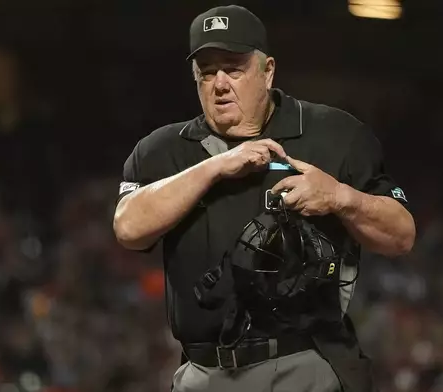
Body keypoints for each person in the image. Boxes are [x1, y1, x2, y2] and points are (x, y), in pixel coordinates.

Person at [113, 5, 416, 392]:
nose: (219, 83)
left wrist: (341, 197)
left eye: (233, 68)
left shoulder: (334, 135)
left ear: (267, 70)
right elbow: (128, 227)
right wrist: (215, 167)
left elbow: (401, 235)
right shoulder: (161, 151)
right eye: (206, 72)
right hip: (206, 372)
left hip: (306, 363)